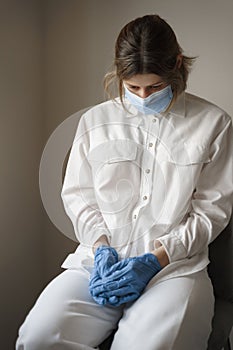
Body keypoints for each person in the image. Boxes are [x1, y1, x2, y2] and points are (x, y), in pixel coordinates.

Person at [16, 14, 233, 350]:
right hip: (97, 265)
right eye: (133, 87)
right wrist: (101, 248)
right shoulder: (94, 122)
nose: (144, 96)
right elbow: (78, 197)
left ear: (177, 66)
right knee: (39, 337)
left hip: (172, 272)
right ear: (119, 74)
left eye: (156, 86)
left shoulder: (213, 124)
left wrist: (155, 260)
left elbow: (211, 213)